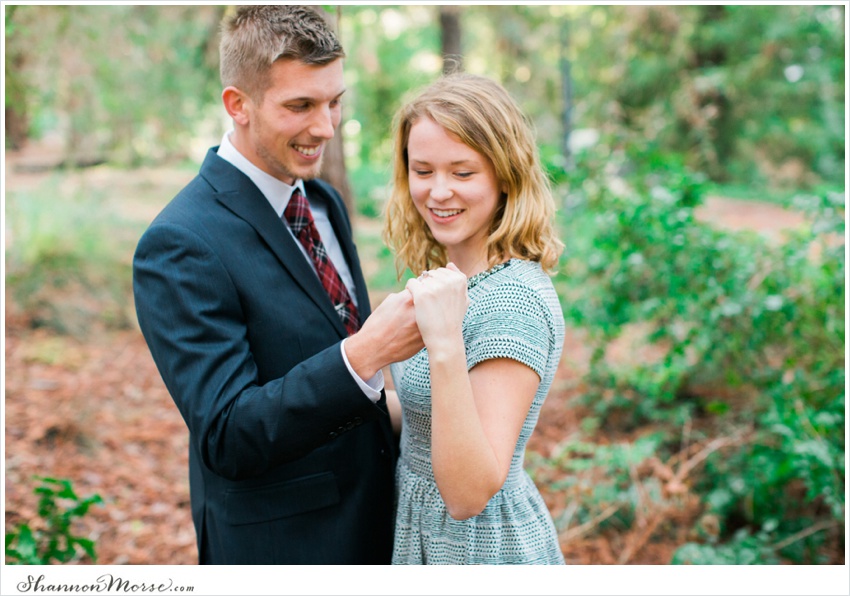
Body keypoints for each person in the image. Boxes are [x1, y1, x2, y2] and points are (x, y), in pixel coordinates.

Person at [133, 5, 422, 565]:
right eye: (301, 106)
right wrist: (365, 353)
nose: (326, 127)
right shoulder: (179, 243)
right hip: (285, 549)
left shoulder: (322, 202)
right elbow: (227, 435)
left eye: (334, 102)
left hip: (380, 526)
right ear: (237, 104)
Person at [383, 73, 567, 564]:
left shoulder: (512, 302)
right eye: (423, 170)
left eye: (462, 173)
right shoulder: (451, 278)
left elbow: (469, 493)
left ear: (505, 174)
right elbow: (429, 418)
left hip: (480, 550)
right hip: (422, 535)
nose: (438, 192)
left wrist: (444, 343)